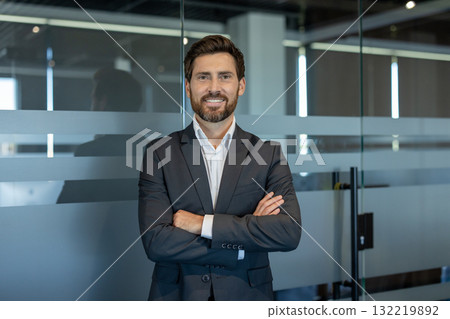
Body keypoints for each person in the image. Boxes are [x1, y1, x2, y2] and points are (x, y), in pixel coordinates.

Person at [138, 35, 301, 301]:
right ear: (188, 87)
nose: (214, 88)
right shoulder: (159, 153)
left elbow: (288, 232)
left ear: (241, 86)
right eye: (203, 77)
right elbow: (157, 243)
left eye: (225, 76)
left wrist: (202, 224)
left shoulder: (268, 154)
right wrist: (240, 245)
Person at [57, 67, 142, 203]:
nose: (91, 107)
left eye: (93, 100)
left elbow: (65, 209)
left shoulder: (90, 153)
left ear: (103, 102)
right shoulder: (153, 151)